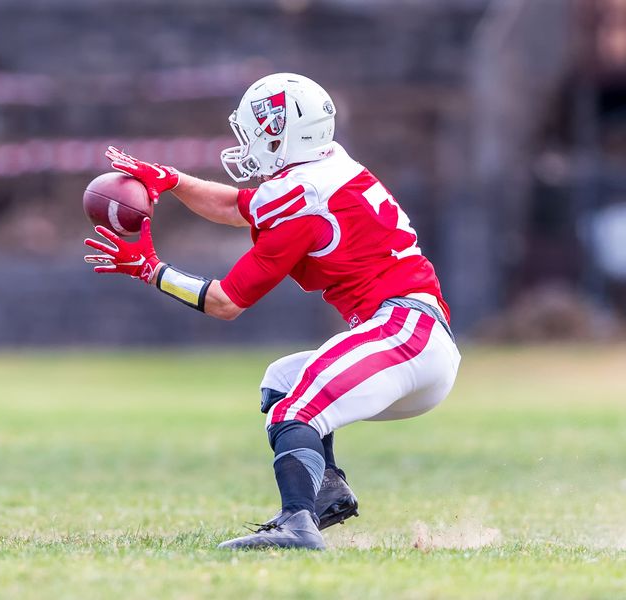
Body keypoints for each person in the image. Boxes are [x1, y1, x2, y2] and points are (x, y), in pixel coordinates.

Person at [84, 73, 461, 550]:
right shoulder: (326, 170)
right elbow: (243, 206)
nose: (247, 143)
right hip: (412, 336)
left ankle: (297, 525)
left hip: (402, 330)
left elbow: (225, 302)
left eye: (254, 132)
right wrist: (174, 180)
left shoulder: (304, 197)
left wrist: (151, 270)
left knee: (295, 408)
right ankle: (325, 492)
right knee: (283, 379)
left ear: (281, 133)